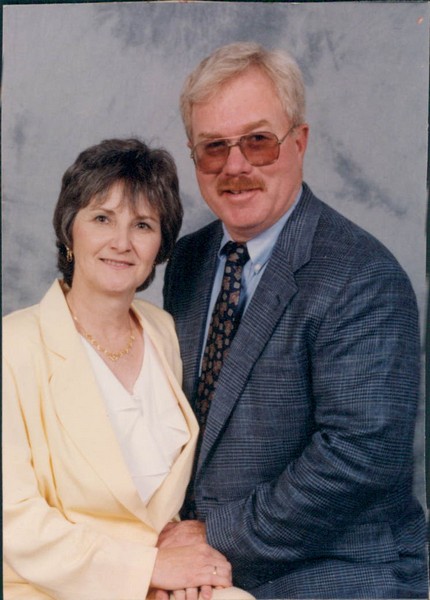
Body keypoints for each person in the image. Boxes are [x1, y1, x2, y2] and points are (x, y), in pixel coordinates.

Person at [162, 42, 428, 599]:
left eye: (258, 141)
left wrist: (212, 537)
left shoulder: (363, 275)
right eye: (214, 147)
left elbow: (357, 459)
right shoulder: (187, 262)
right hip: (205, 564)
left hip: (335, 570)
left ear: (299, 141)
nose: (235, 166)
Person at [3, 138, 254, 600]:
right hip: (52, 587)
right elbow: (13, 520)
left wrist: (175, 572)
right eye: (102, 218)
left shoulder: (163, 331)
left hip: (162, 578)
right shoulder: (13, 347)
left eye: (142, 225)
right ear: (69, 230)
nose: (122, 243)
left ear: (160, 245)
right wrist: (145, 571)